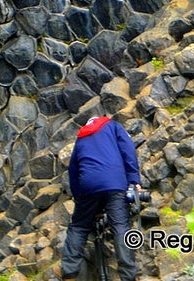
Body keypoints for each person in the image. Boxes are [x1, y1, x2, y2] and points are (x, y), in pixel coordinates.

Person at [60, 114, 143, 281]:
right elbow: (128, 150)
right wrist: (134, 179)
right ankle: (128, 275)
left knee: (79, 226)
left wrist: (80, 198)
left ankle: (69, 272)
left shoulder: (81, 137)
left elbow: (73, 170)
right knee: (120, 227)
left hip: (88, 186)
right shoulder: (113, 126)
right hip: (115, 183)